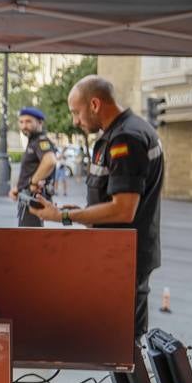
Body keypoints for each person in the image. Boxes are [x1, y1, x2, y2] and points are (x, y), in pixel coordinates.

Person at [31, 76, 163, 340]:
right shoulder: (120, 133)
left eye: (76, 112)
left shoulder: (126, 138)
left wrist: (63, 215)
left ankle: (130, 370)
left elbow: (124, 210)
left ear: (94, 104)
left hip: (124, 259)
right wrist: (83, 212)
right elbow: (111, 203)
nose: (75, 121)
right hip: (119, 256)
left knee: (123, 342)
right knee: (115, 340)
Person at [9, 107, 57, 227]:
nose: (24, 126)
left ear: (40, 122)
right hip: (27, 197)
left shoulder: (41, 141)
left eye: (28, 121)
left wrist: (32, 182)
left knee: (29, 236)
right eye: (21, 122)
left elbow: (50, 161)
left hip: (32, 199)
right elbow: (31, 170)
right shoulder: (33, 141)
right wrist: (18, 188)